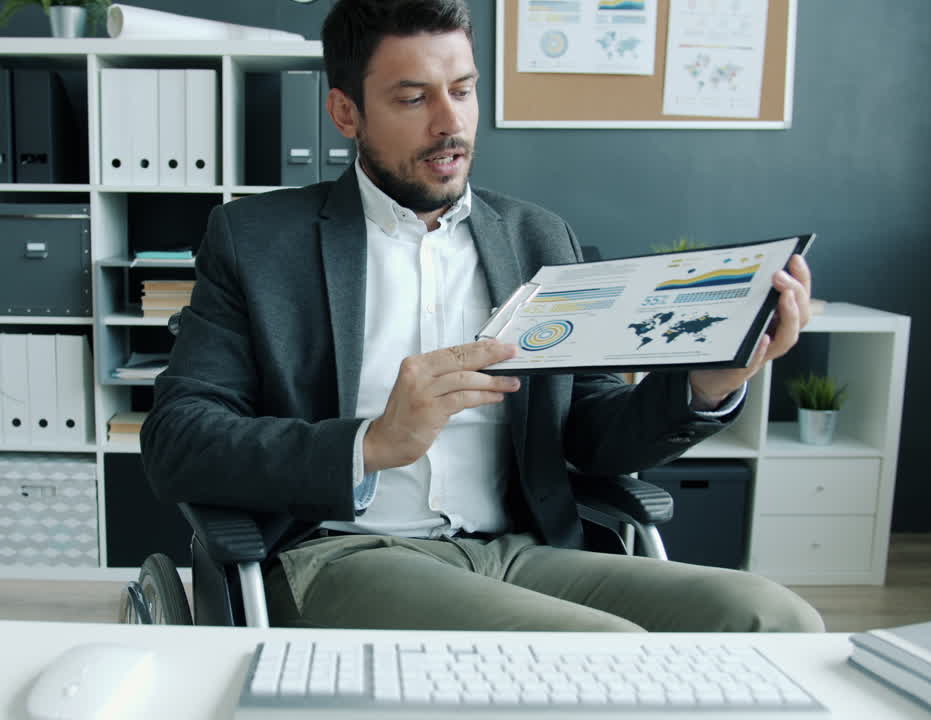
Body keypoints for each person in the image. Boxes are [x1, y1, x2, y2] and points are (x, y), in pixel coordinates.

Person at [141, 0, 823, 633]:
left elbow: (591, 433)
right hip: (346, 553)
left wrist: (705, 383)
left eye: (462, 90)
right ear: (346, 113)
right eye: (413, 98)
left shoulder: (536, 237)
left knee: (772, 619)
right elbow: (178, 439)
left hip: (524, 550)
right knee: (602, 653)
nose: (451, 123)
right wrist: (371, 443)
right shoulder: (257, 241)